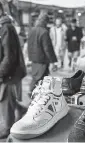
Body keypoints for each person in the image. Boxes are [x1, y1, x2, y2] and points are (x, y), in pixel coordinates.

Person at [0, 2, 26, 138]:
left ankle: (8, 128)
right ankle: (20, 109)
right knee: (7, 98)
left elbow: (9, 56)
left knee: (5, 97)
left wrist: (1, 73)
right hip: (8, 70)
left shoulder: (6, 28)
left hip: (10, 72)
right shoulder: (3, 27)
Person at [28, 13, 57, 93]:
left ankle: (36, 93)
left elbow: (29, 45)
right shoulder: (44, 32)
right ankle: (33, 92)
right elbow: (47, 48)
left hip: (34, 59)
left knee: (36, 76)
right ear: (45, 21)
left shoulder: (32, 30)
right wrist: (53, 61)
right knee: (40, 77)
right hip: (42, 59)